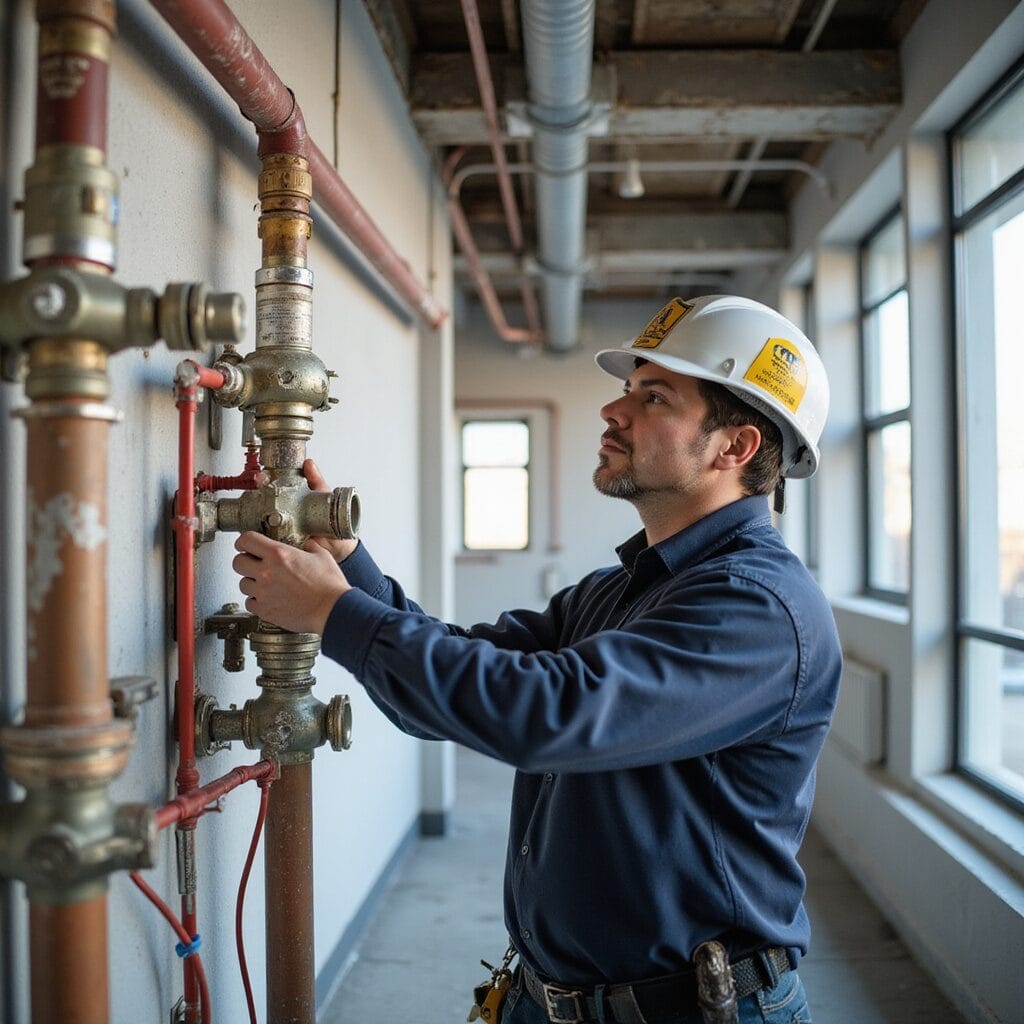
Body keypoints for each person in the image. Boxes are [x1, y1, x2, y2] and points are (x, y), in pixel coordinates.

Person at [233, 294, 842, 1024]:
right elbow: (465, 676)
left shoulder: (759, 609)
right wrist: (348, 565)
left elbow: (548, 713)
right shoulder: (625, 589)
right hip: (552, 999)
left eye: (654, 398)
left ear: (734, 448)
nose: (614, 414)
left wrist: (333, 613)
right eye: (626, 392)